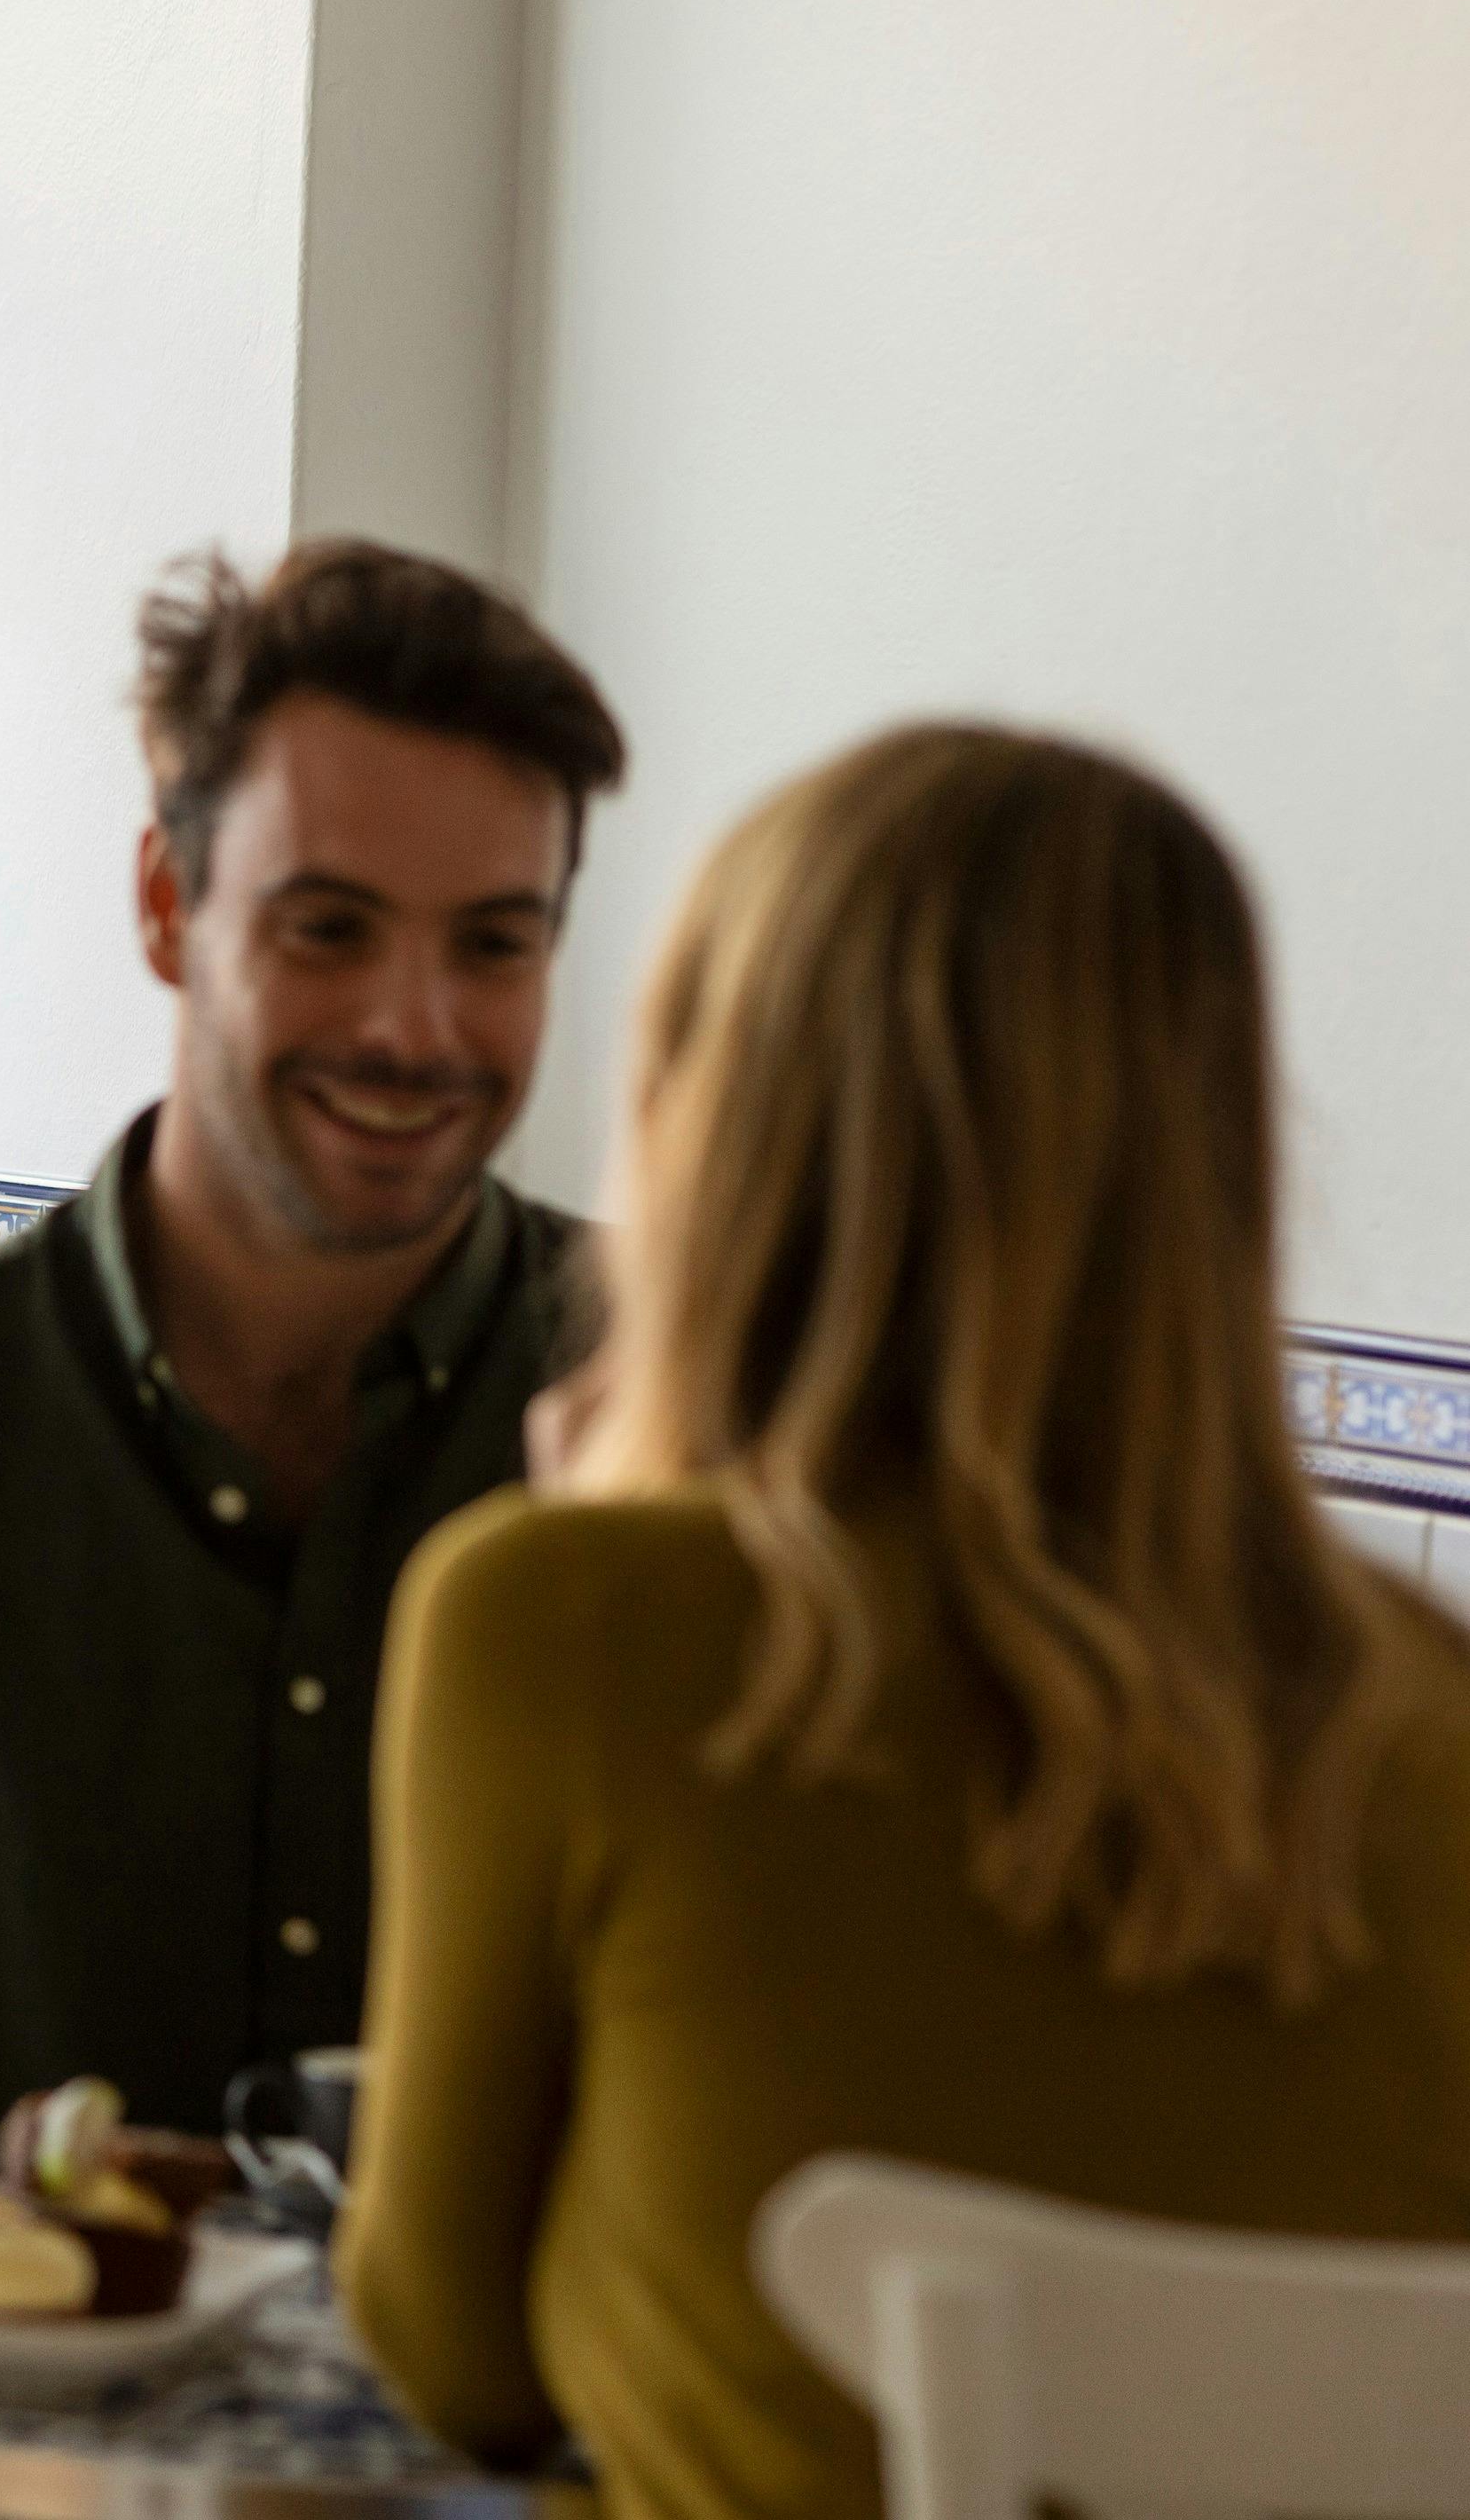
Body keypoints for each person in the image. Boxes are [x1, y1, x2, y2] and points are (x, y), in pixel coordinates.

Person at [336, 728, 1470, 2520]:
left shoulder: (559, 1621)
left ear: (723, 1126)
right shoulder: (1432, 1701)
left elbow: (443, 2355)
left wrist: (610, 1523)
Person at [0, 541, 627, 2253]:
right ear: (168, 904)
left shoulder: (697, 1416)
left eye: (494, 945)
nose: (415, 1026)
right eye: (329, 928)